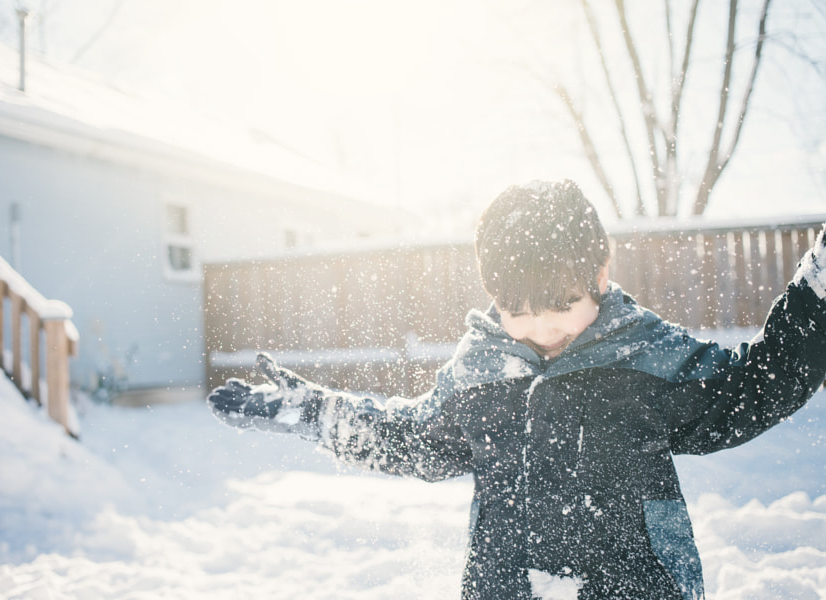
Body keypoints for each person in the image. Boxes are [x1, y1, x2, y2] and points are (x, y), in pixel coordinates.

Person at [207, 180, 826, 600]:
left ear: (601, 276)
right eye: (518, 311)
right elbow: (417, 440)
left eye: (562, 306)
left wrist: (815, 297)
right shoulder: (479, 372)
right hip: (506, 586)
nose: (543, 328)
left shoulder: (645, 359)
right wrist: (320, 414)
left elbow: (752, 388)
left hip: (640, 587)